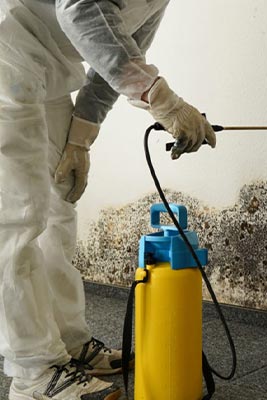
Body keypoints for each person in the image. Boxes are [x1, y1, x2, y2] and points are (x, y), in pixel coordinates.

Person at [0, 0, 216, 398]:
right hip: (7, 53)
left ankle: (68, 344)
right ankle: (34, 373)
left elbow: (118, 50)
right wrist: (162, 99)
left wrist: (81, 136)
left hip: (48, 70)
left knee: (59, 207)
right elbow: (79, 8)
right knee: (18, 219)